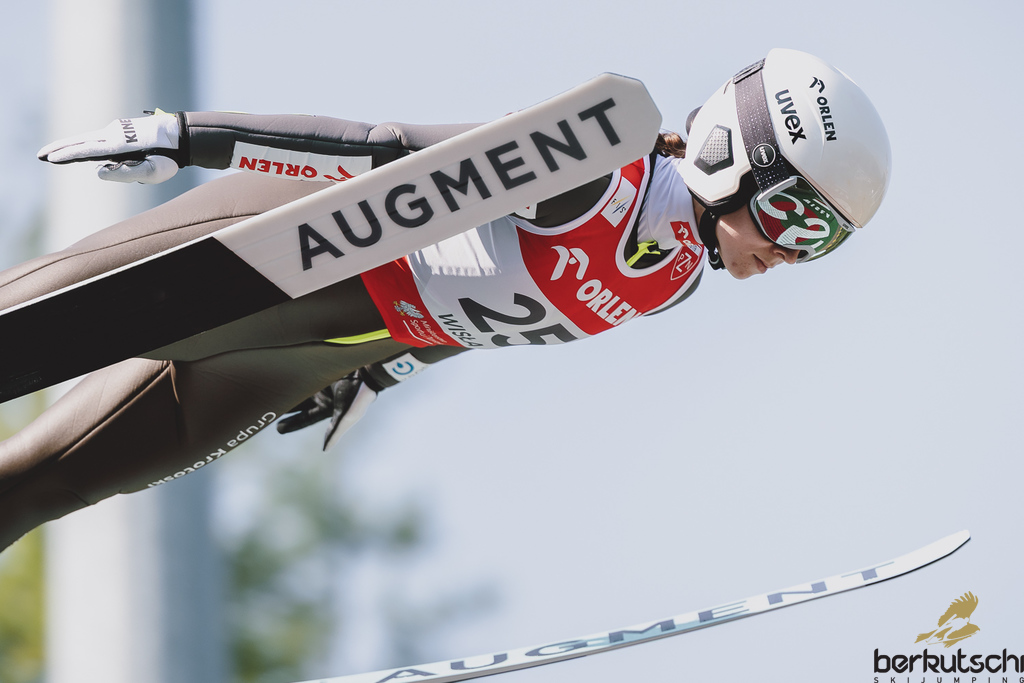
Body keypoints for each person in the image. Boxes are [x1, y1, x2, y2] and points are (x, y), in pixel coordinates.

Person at [0, 48, 890, 553]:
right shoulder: (600, 166)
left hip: (313, 350)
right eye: (792, 218)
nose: (787, 253)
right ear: (735, 154)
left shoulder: (675, 276)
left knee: (32, 488)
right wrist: (188, 138)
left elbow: (491, 305)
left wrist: (378, 374)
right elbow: (386, 150)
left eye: (819, 242)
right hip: (280, 253)